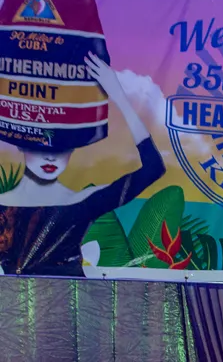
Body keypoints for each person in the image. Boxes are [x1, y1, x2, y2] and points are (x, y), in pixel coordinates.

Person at [0, 52, 165, 276]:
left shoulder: (81, 203)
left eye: (62, 147)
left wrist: (118, 95)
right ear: (22, 145)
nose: (51, 157)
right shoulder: (5, 207)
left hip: (70, 297)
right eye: (42, 146)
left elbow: (153, 168)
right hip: (14, 299)